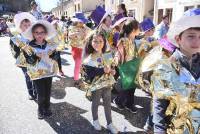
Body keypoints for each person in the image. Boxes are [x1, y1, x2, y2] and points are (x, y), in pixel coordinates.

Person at [150, 8, 200, 133]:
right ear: (178, 39)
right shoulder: (165, 68)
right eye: (191, 36)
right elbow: (159, 107)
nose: (197, 42)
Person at [82, 31, 118, 134]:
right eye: (95, 41)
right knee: (96, 103)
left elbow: (111, 67)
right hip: (95, 86)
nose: (98, 44)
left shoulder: (107, 55)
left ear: (104, 42)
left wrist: (112, 71)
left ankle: (110, 123)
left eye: (100, 41)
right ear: (90, 42)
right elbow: (89, 74)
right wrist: (103, 70)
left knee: (107, 104)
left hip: (107, 84)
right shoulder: (88, 58)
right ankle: (95, 120)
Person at [22, 20, 58, 119]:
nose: (39, 35)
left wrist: (53, 54)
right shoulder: (29, 46)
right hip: (37, 74)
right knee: (41, 93)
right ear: (33, 34)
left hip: (48, 73)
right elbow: (28, 61)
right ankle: (40, 109)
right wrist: (35, 56)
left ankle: (47, 107)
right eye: (37, 32)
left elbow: (56, 57)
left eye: (42, 32)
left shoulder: (49, 45)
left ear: (45, 33)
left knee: (47, 91)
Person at [113, 19, 140, 113]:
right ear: (133, 30)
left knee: (133, 87)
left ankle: (130, 104)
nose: (140, 30)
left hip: (134, 66)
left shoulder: (133, 39)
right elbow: (122, 56)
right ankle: (118, 100)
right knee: (126, 87)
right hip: (126, 67)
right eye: (138, 28)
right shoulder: (123, 40)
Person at [10, 12, 37, 100]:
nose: (27, 27)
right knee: (27, 76)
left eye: (29, 25)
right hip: (23, 60)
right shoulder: (17, 36)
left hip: (34, 59)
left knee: (35, 75)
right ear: (20, 26)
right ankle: (30, 92)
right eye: (25, 25)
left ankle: (36, 91)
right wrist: (23, 45)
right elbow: (16, 41)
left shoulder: (33, 35)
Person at [68, 13, 90, 87]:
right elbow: (69, 35)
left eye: (82, 21)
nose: (82, 23)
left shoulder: (85, 28)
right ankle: (76, 79)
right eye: (80, 21)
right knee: (78, 64)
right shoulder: (72, 27)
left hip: (83, 49)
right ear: (77, 21)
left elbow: (91, 33)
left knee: (82, 64)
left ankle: (81, 75)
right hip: (75, 49)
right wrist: (76, 33)